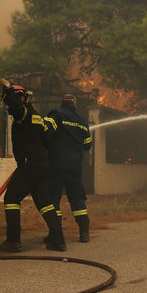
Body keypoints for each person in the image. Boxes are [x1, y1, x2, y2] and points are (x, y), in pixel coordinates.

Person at [0, 78, 66, 252]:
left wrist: (7, 86)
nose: (7, 104)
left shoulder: (23, 112)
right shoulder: (37, 117)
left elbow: (15, 107)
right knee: (45, 203)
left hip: (29, 164)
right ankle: (58, 240)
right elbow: (49, 141)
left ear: (19, 98)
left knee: (11, 199)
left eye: (7, 99)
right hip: (41, 164)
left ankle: (13, 241)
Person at [46, 94, 93, 243]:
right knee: (77, 197)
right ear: (75, 105)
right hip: (75, 166)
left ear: (62, 104)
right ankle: (84, 232)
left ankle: (55, 233)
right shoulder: (82, 121)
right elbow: (87, 145)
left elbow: (46, 129)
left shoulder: (57, 114)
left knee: (53, 197)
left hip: (57, 164)